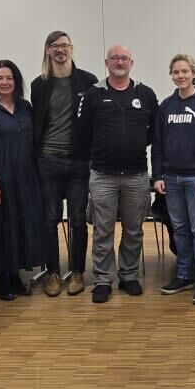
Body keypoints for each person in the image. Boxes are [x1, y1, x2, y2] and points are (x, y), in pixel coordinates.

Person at [77, 45, 160, 303]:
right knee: (103, 231)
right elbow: (82, 133)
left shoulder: (145, 94)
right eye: (115, 58)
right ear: (107, 63)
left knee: (134, 230)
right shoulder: (93, 94)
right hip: (103, 175)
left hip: (136, 175)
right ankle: (103, 281)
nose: (120, 62)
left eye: (124, 58)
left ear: (131, 63)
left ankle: (129, 276)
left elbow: (154, 133)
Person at [30, 31, 99, 297]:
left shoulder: (88, 81)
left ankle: (77, 272)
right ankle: (52, 273)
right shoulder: (39, 84)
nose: (61, 50)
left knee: (78, 219)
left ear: (72, 48)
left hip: (79, 161)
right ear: (47, 50)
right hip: (49, 159)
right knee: (50, 219)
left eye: (65, 45)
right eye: (55, 46)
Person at [0, 60, 46, 300]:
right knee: (0, 228)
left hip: (24, 178)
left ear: (16, 81)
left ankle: (16, 275)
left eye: (9, 78)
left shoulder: (26, 107)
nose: (5, 82)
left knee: (20, 225)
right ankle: (2, 279)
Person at [154, 53, 195, 305]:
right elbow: (158, 144)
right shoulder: (166, 106)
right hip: (171, 179)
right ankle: (185, 274)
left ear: (194, 73)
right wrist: (157, 175)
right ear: (171, 75)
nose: (180, 76)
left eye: (185, 71)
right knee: (180, 229)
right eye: (176, 72)